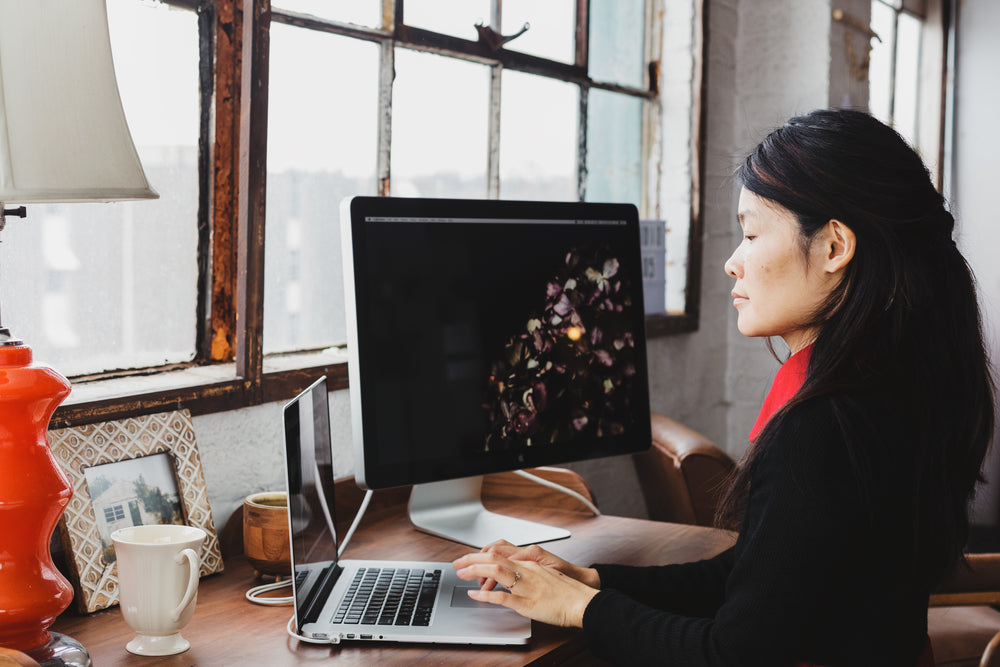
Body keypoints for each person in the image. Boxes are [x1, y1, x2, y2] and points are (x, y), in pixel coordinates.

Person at [452, 108, 995, 666]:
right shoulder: (896, 382)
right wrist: (591, 579)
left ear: (835, 247)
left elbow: (733, 651)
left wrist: (580, 608)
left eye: (752, 233)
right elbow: (760, 578)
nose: (732, 264)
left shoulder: (825, 425)